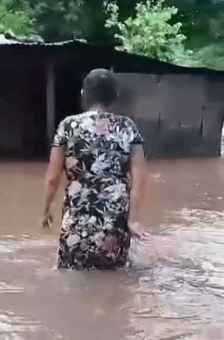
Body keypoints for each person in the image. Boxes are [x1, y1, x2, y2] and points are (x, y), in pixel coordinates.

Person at [41, 68, 150, 270]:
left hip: (77, 223)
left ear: (84, 94)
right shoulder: (128, 127)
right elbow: (140, 178)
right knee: (116, 283)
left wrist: (46, 210)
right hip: (115, 224)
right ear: (114, 96)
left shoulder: (68, 126)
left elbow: (52, 177)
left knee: (69, 280)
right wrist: (133, 220)